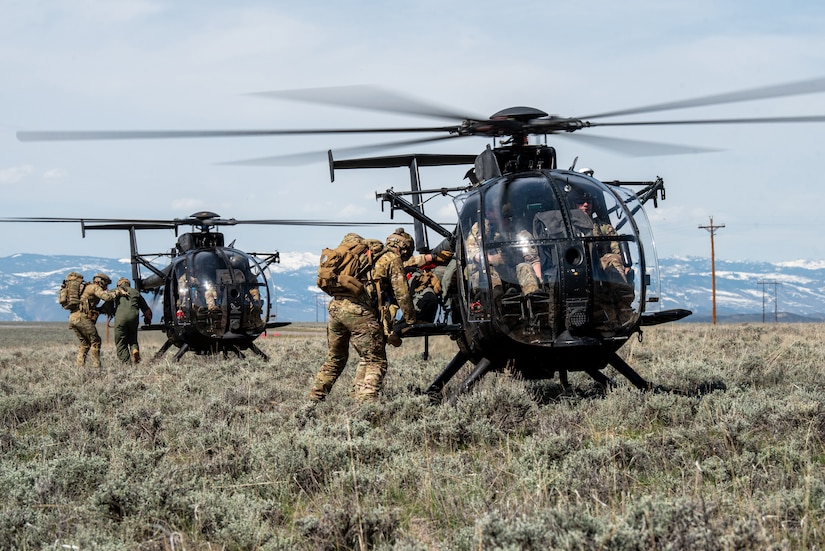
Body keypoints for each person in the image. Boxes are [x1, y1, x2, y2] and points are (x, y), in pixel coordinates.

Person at [308, 232, 416, 404]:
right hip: (358, 312)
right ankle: (366, 408)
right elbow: (402, 294)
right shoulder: (390, 259)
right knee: (376, 360)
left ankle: (313, 400)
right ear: (403, 249)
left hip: (336, 308)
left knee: (336, 359)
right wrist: (411, 319)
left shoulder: (365, 256)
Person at [465, 201, 541, 297]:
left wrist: (539, 279)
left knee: (525, 267)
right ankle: (498, 303)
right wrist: (491, 259)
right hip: (487, 273)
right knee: (490, 272)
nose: (487, 213)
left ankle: (534, 300)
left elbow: (532, 258)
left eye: (491, 210)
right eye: (487, 210)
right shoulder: (482, 228)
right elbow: (472, 250)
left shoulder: (519, 232)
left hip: (511, 271)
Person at [69, 273, 124, 368]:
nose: (106, 287)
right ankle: (96, 368)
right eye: (106, 284)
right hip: (82, 318)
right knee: (96, 341)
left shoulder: (87, 288)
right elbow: (106, 297)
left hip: (74, 318)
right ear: (101, 282)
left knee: (85, 344)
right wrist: (118, 292)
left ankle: (79, 368)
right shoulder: (95, 287)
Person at [113, 278, 153, 364]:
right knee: (132, 338)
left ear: (119, 284)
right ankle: (134, 350)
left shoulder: (115, 291)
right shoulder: (135, 292)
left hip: (120, 320)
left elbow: (107, 303)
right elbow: (146, 310)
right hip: (133, 319)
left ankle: (126, 363)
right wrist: (148, 320)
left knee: (121, 342)